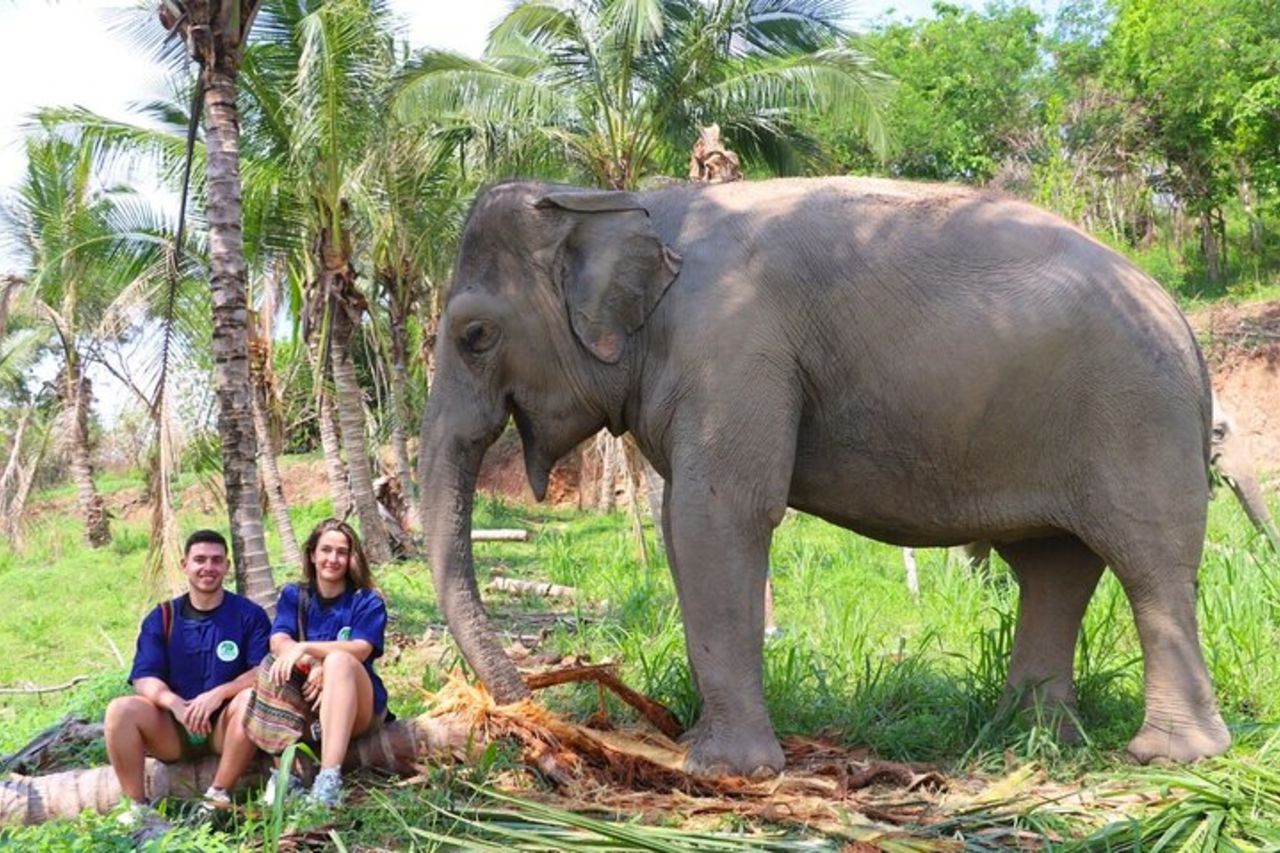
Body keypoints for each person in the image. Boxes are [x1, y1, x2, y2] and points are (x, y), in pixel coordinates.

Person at [106, 530, 271, 830]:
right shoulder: (164, 616)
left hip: (226, 728)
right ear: (185, 564)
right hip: (172, 730)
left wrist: (220, 694)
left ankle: (217, 796)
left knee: (251, 697)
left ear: (227, 566)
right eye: (200, 560)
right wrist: (175, 704)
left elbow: (262, 671)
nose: (208, 567)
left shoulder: (249, 615)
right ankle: (139, 808)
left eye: (216, 560)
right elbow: (144, 678)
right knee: (120, 709)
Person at [265, 518, 389, 807]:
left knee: (339, 663)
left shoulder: (366, 600)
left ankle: (329, 780)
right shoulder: (294, 596)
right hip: (309, 709)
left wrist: (310, 650)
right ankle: (285, 774)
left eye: (342, 552)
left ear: (351, 558)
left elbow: (360, 649)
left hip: (360, 706)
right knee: (270, 664)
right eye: (326, 550)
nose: (333, 559)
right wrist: (310, 663)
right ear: (312, 554)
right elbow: (279, 641)